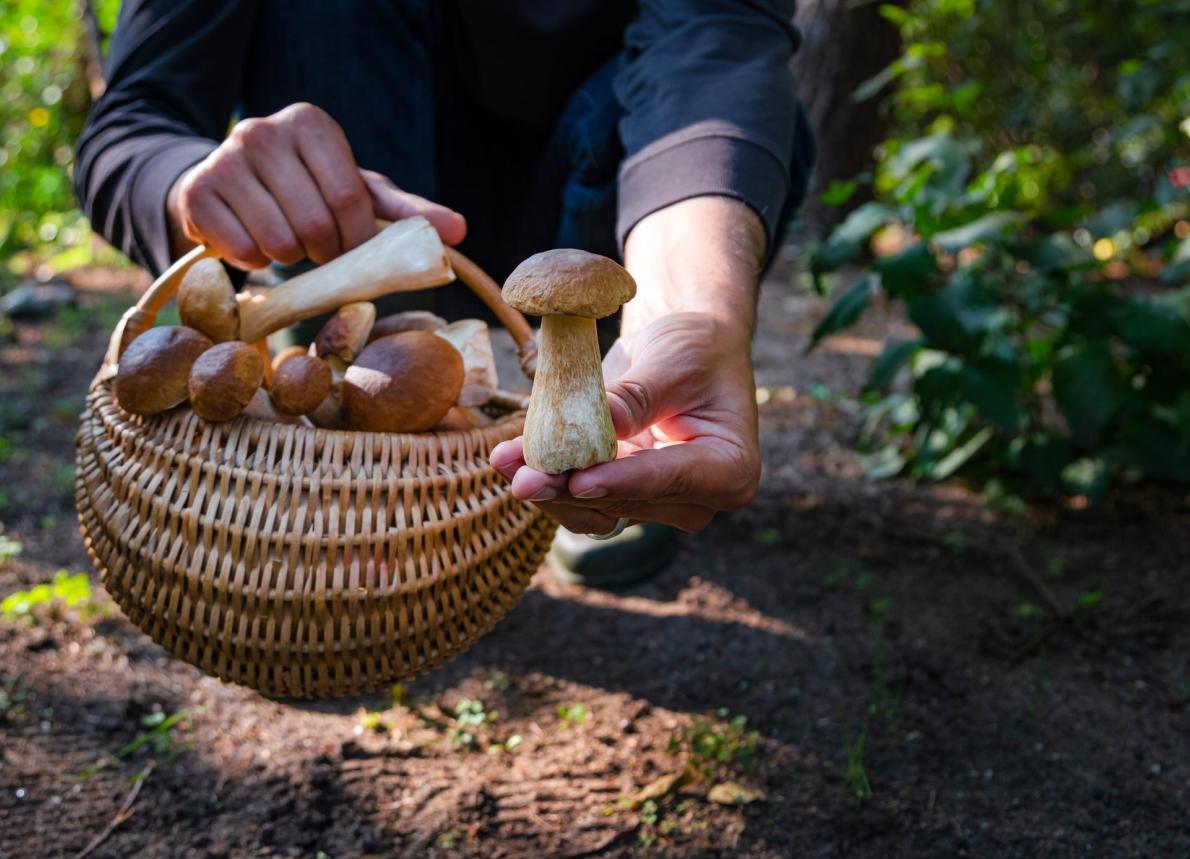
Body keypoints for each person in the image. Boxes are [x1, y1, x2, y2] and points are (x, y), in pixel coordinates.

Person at [75, 1, 813, 557]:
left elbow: (715, 44)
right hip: (351, 235)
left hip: (593, 201)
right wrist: (192, 186)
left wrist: (689, 312)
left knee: (767, 121)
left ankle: (612, 430)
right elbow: (132, 124)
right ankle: (350, 452)